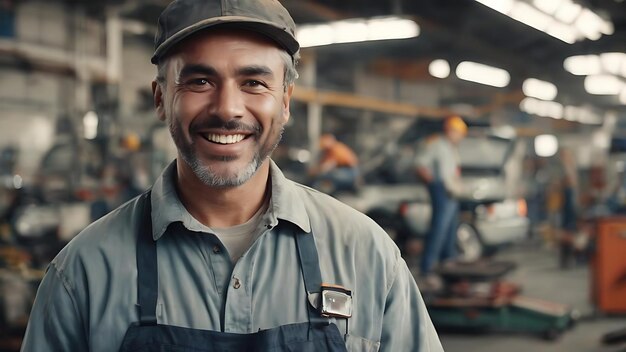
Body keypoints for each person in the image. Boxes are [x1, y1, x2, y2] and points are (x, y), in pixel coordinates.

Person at [21, 0, 443, 351]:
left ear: (286, 101)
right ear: (161, 99)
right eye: (200, 80)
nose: (228, 108)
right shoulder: (82, 275)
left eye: (254, 82)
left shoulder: (367, 257)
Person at [414, 115, 467, 279]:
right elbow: (420, 164)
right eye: (458, 134)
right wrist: (432, 183)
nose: (459, 138)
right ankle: (427, 267)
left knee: (451, 227)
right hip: (440, 189)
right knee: (439, 228)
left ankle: (448, 259)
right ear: (450, 131)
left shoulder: (451, 148)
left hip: (451, 191)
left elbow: (454, 170)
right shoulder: (436, 144)